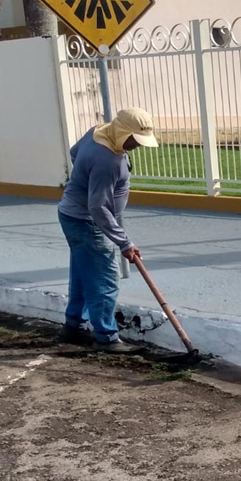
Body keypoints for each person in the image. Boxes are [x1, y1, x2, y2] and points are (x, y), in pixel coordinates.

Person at [56, 107, 158, 353]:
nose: (138, 145)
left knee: (83, 272)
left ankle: (74, 326)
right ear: (123, 132)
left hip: (71, 214)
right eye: (134, 139)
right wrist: (124, 242)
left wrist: (84, 177)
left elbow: (74, 152)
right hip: (88, 222)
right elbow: (98, 207)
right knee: (104, 278)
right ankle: (107, 337)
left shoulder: (98, 132)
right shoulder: (107, 159)